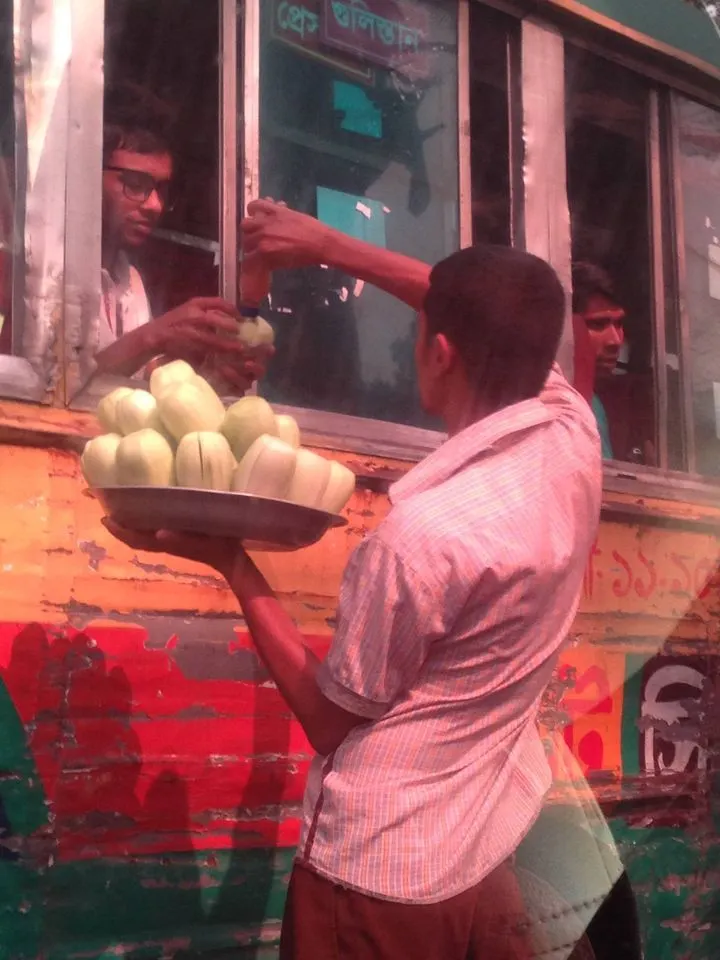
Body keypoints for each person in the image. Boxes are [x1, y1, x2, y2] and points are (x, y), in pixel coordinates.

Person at [105, 201, 602, 960]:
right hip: (481, 841)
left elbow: (332, 719)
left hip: (380, 874)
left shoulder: (420, 537)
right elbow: (484, 319)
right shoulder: (572, 443)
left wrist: (232, 563)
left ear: (438, 352)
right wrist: (330, 246)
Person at [89, 82, 268, 393]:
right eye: (135, 183)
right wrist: (154, 336)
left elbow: (129, 381)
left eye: (162, 190)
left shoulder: (129, 279)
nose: (155, 206)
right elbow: (58, 384)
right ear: (88, 171)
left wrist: (206, 373)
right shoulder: (50, 275)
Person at [571, 262, 625, 460]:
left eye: (619, 323)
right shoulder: (556, 404)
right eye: (597, 324)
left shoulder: (593, 403)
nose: (615, 340)